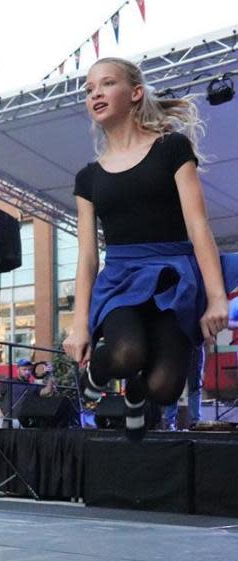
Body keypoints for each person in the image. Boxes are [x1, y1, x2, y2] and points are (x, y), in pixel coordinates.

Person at [64, 57, 238, 440]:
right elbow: (88, 256)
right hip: (122, 278)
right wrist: (79, 325)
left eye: (107, 84)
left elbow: (198, 227)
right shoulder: (88, 177)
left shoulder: (172, 149)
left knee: (165, 388)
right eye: (89, 89)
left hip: (174, 276)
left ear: (136, 93)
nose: (96, 94)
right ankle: (98, 372)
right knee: (127, 354)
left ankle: (137, 393)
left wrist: (215, 298)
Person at [162, 345, 205, 430]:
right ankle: (169, 422)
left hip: (194, 346)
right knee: (173, 385)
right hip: (176, 344)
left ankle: (195, 423)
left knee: (194, 386)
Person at [0, 359, 36, 427]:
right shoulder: (9, 381)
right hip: (6, 419)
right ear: (18, 370)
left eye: (29, 370)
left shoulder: (31, 385)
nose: (27, 372)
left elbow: (45, 392)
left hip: (23, 421)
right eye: (24, 369)